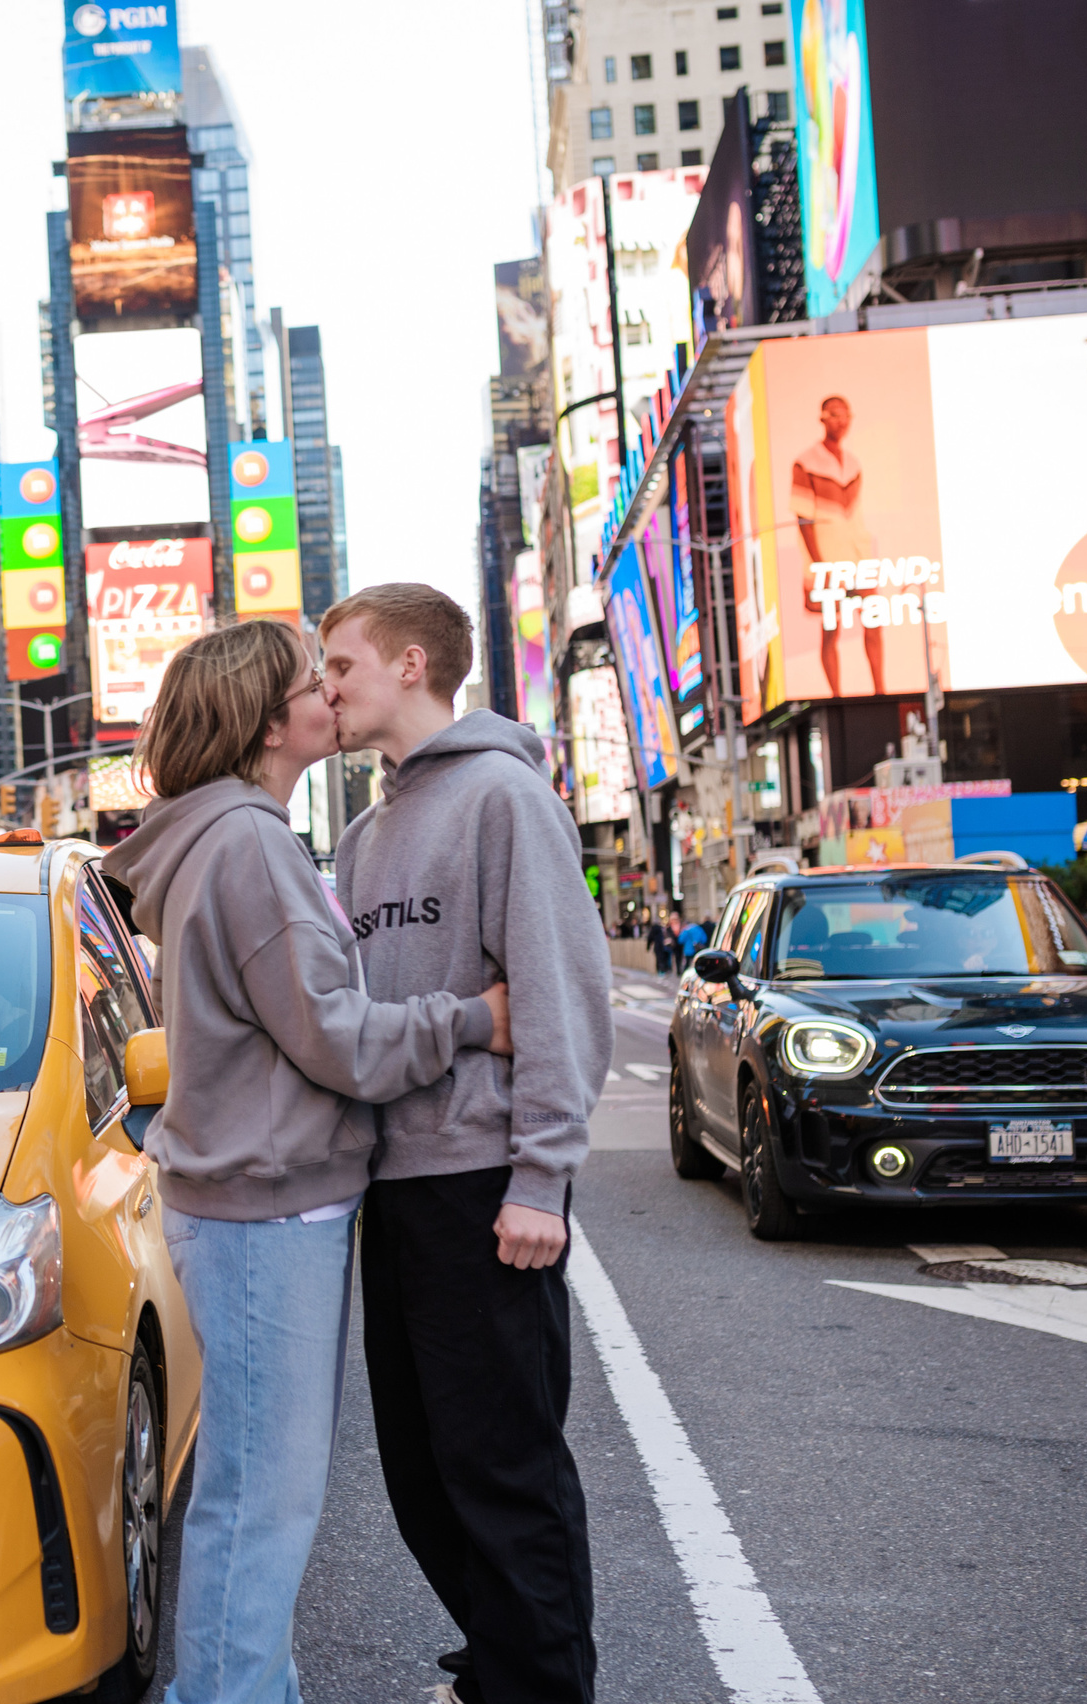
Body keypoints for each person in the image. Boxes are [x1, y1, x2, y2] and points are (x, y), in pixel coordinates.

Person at [98, 619, 513, 1704]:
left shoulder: (228, 837)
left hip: (254, 1204)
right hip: (264, 1213)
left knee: (253, 1489)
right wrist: (473, 1018)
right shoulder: (246, 846)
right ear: (264, 720)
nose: (328, 694)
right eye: (307, 682)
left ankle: (246, 1687)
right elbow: (336, 1036)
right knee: (260, 1497)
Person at [318, 583, 611, 1704]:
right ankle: (498, 1664)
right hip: (393, 1194)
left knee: (503, 1470)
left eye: (338, 665)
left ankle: (537, 1687)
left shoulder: (503, 795)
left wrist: (542, 1177)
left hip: (488, 1188)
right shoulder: (362, 831)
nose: (325, 688)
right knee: (422, 1477)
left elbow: (561, 991)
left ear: (407, 663)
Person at [792, 394, 885, 697]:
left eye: (845, 415)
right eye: (835, 415)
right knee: (831, 628)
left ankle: (880, 689)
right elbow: (803, 518)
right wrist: (820, 564)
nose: (841, 421)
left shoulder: (854, 463)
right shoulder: (806, 462)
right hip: (826, 559)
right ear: (823, 418)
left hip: (856, 556)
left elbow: (855, 516)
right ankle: (836, 695)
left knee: (873, 619)